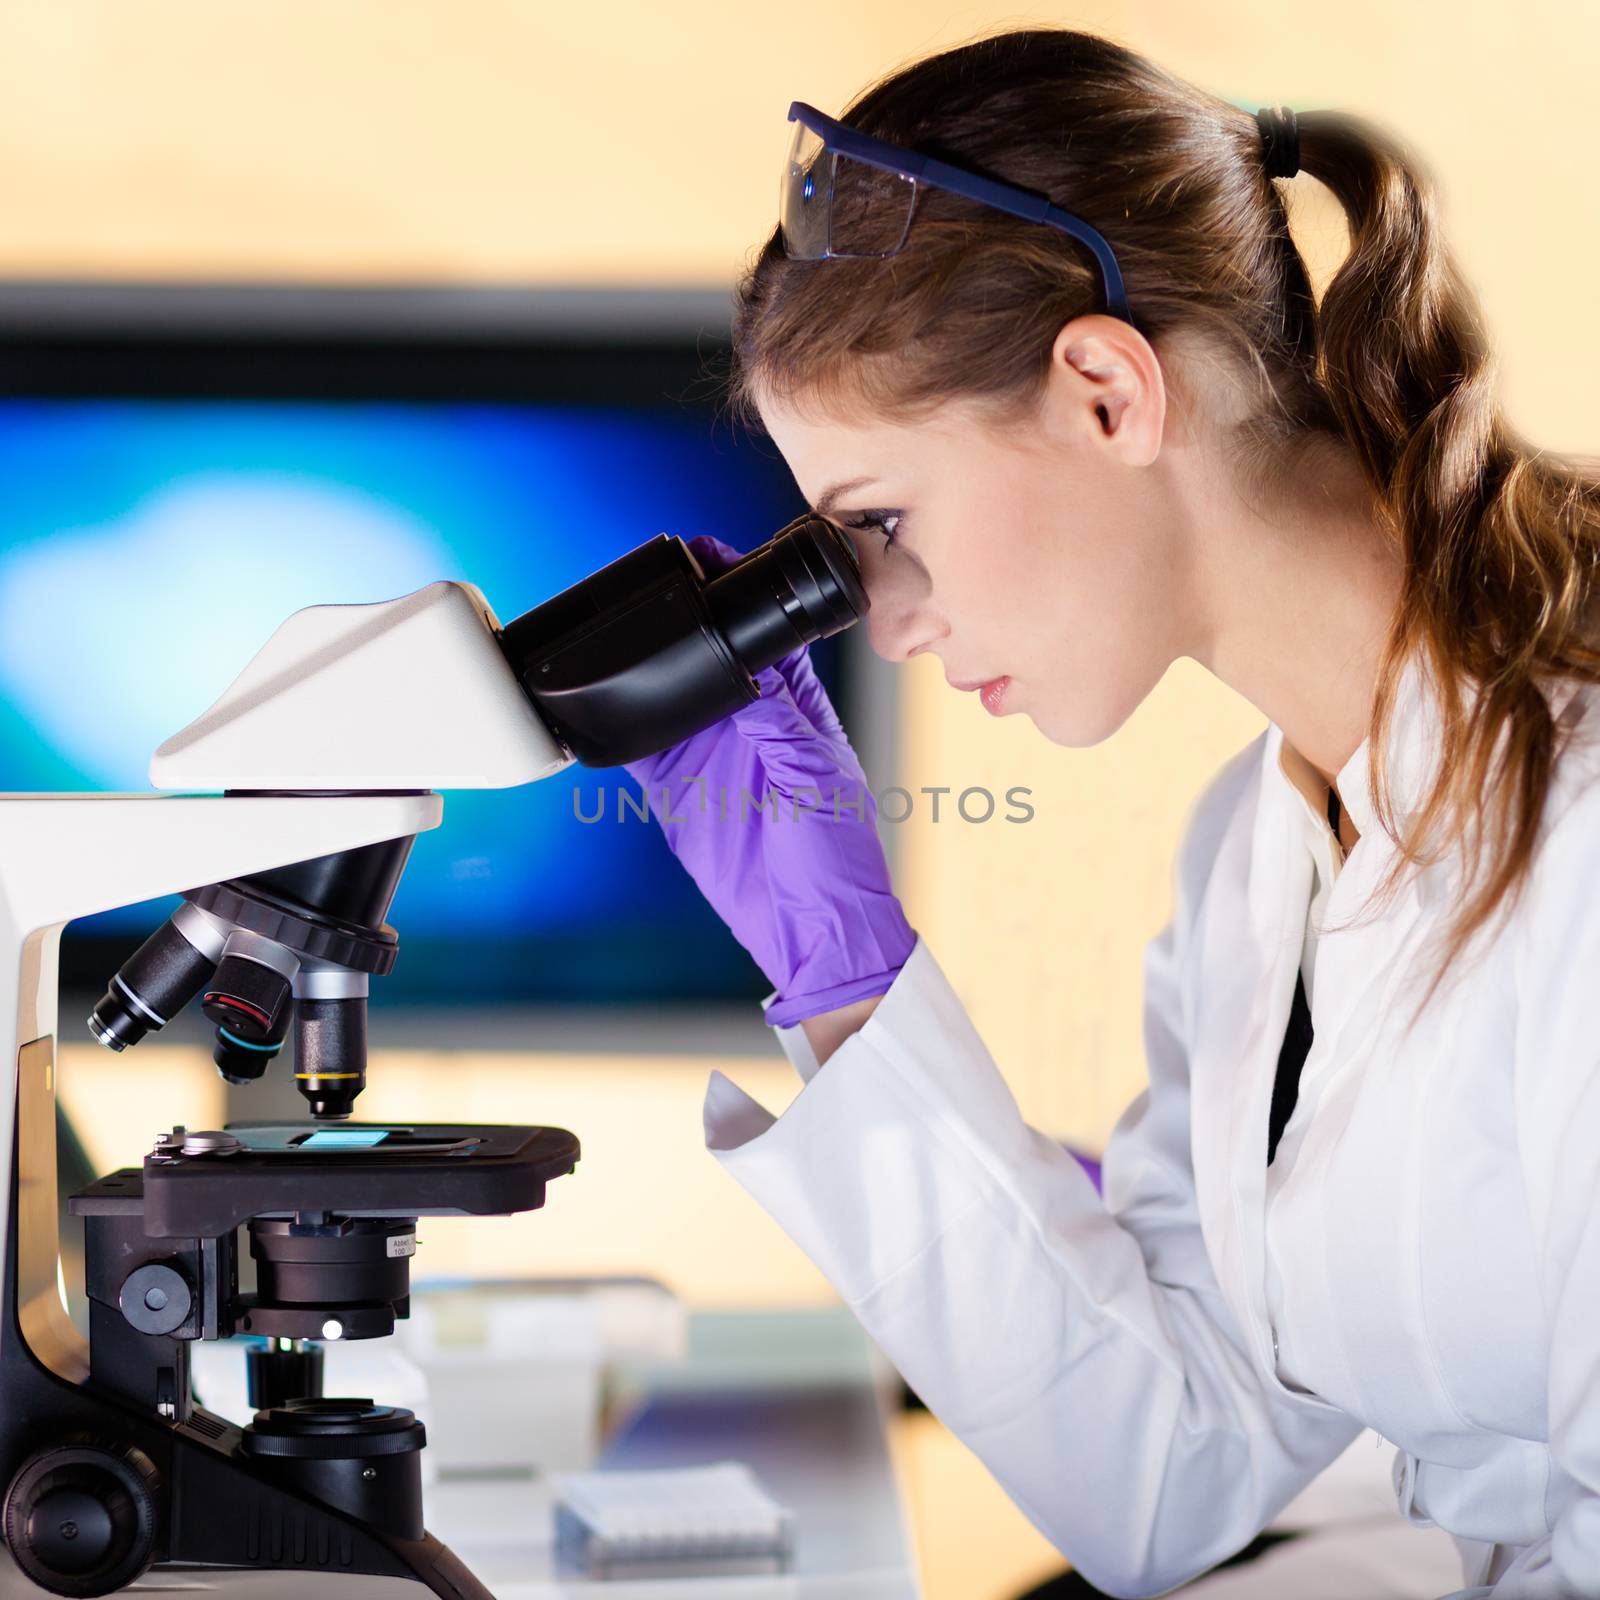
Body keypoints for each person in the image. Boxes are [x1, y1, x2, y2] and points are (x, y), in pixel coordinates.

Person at [622, 26, 1600, 1599]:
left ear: (1102, 390)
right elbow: (1171, 1472)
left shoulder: (1583, 842)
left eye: (881, 521)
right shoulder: (1256, 857)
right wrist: (847, 980)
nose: (888, 623)